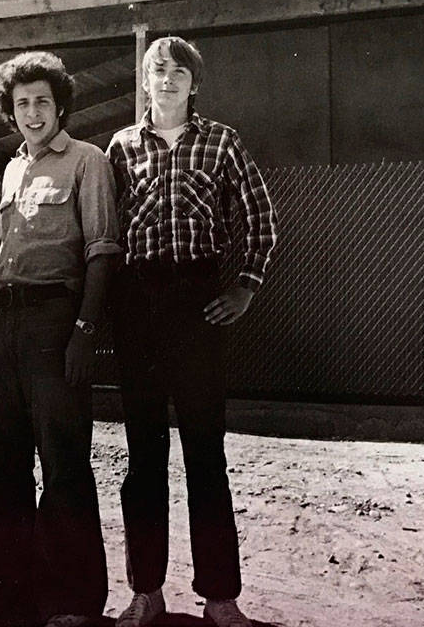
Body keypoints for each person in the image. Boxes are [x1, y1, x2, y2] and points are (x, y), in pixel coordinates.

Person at [106, 36, 277, 627]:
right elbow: (106, 229)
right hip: (138, 308)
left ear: (194, 83)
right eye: (158, 71)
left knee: (205, 453)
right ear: (145, 82)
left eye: (180, 71)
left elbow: (259, 217)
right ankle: (146, 593)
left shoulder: (222, 141)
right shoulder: (122, 147)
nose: (169, 79)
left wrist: (245, 286)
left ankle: (221, 597)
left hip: (198, 305)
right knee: (143, 459)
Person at [0, 51, 120, 627]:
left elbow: (103, 250)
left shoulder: (88, 162)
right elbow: (2, 252)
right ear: (11, 110)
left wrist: (83, 331)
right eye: (22, 102)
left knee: (63, 461)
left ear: (60, 107)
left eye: (42, 102)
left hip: (56, 324)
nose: (32, 112)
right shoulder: (11, 168)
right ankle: (3, 589)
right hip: (0, 323)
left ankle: (71, 600)